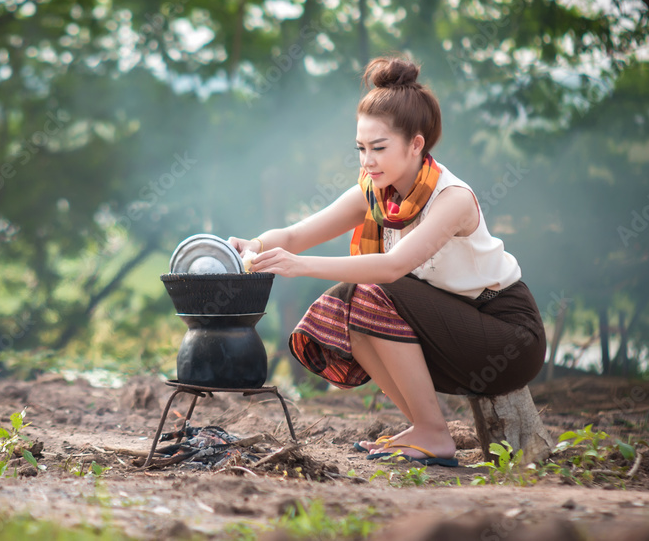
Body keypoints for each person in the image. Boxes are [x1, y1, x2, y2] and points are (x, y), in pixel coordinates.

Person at [228, 55, 546, 467]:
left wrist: (299, 265)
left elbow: (392, 268)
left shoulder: (452, 199)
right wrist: (253, 243)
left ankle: (432, 433)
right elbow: (294, 235)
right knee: (351, 304)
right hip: (449, 328)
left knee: (374, 288)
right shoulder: (375, 193)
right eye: (361, 149)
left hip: (506, 336)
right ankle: (425, 427)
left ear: (416, 144)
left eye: (379, 148)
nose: (367, 161)